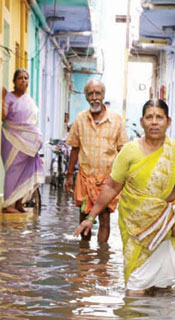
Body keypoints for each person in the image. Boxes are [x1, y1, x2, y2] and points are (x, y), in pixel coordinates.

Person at [74, 99, 175, 294]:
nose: (154, 122)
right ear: (142, 121)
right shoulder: (129, 151)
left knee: (162, 288)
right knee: (135, 288)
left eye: (159, 117)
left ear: (168, 121)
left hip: (164, 227)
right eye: (149, 117)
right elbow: (112, 186)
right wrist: (90, 217)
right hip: (133, 228)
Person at [65, 80, 128, 241]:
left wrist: (126, 178)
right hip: (85, 178)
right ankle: (84, 258)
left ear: (103, 95)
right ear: (86, 97)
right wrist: (69, 175)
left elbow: (123, 150)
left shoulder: (116, 120)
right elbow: (75, 148)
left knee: (104, 219)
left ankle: (102, 260)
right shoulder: (80, 119)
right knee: (84, 217)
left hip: (107, 180)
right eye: (91, 94)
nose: (94, 97)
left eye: (97, 93)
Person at [1, 68, 45, 213]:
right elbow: (3, 117)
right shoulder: (9, 98)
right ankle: (8, 204)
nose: (23, 81)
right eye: (20, 78)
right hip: (12, 138)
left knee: (26, 170)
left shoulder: (29, 100)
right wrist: (1, 99)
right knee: (13, 170)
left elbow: (32, 122)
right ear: (14, 81)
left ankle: (19, 203)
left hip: (27, 143)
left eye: (26, 78)